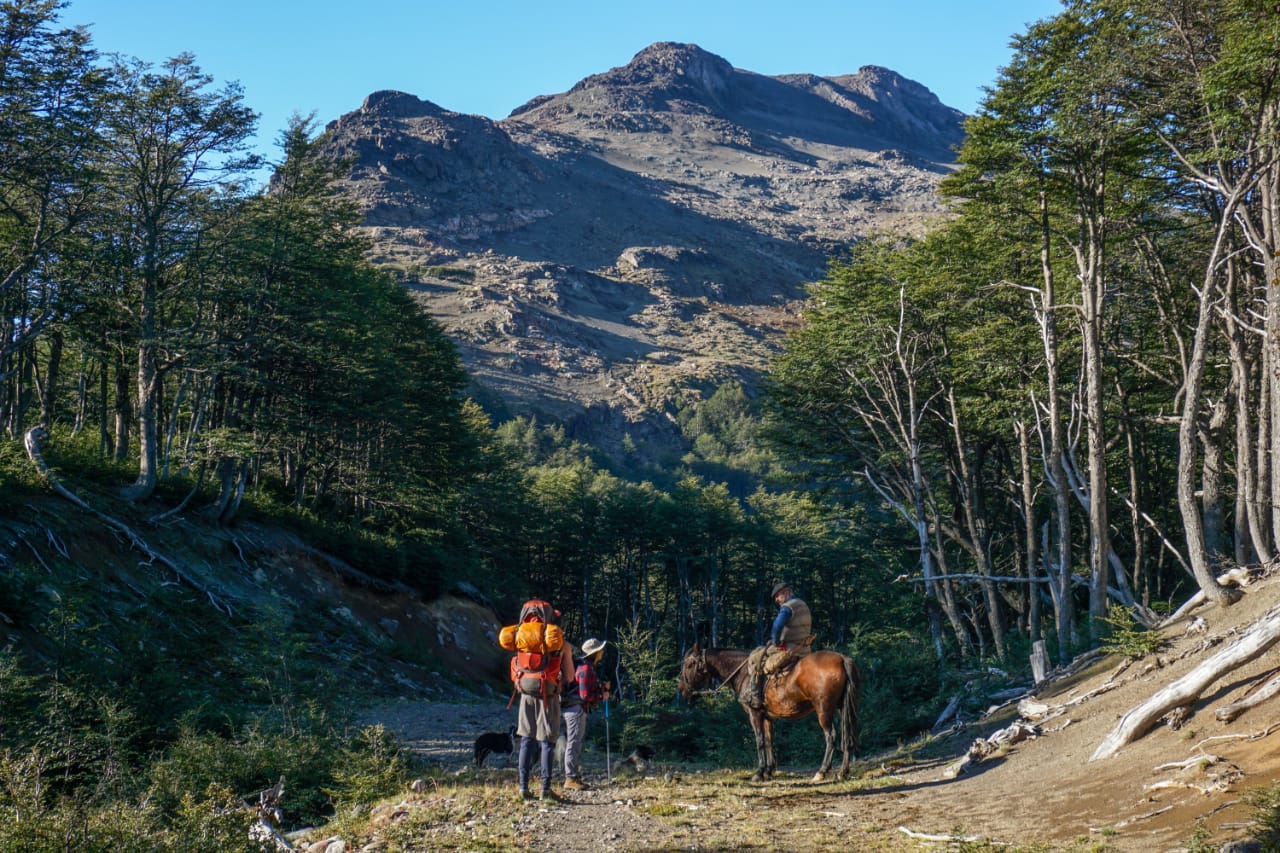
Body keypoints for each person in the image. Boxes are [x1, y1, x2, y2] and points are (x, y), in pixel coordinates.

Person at [514, 607, 576, 802]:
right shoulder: (561, 644)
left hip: (525, 693)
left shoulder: (523, 640)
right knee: (547, 741)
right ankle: (545, 789)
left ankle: (523, 787)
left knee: (526, 739)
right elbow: (570, 676)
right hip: (548, 695)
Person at [745, 581, 812, 709]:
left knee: (755, 658)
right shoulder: (802, 603)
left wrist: (775, 641)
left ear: (786, 593)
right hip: (805, 648)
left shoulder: (788, 607)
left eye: (778, 596)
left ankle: (756, 697)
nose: (776, 599)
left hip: (790, 649)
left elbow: (777, 626)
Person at [562, 637, 611, 790]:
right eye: (600, 650)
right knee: (574, 742)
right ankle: (570, 778)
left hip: (575, 708)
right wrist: (602, 696)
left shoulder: (586, 667)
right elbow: (584, 695)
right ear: (595, 653)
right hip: (576, 709)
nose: (602, 652)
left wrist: (601, 689)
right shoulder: (585, 669)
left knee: (575, 742)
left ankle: (573, 776)